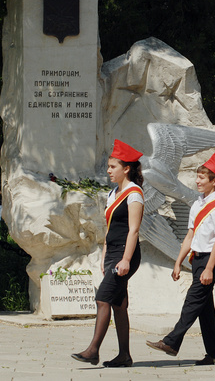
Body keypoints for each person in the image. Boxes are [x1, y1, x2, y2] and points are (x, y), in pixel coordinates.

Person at [146, 152, 215, 366]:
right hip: (198, 258)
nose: (198, 181)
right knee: (204, 309)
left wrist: (210, 269)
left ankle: (172, 342)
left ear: (214, 181)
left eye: (203, 178)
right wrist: (178, 261)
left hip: (212, 259)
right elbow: (190, 235)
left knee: (193, 301)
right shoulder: (198, 204)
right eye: (198, 177)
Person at [72, 139, 144, 368]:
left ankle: (93, 351)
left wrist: (125, 260)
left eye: (113, 166)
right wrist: (105, 253)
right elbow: (111, 228)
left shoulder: (134, 193)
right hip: (113, 252)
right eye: (109, 166)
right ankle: (125, 356)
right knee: (119, 305)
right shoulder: (113, 193)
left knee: (103, 298)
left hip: (126, 254)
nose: (109, 170)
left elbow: (133, 230)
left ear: (127, 169)